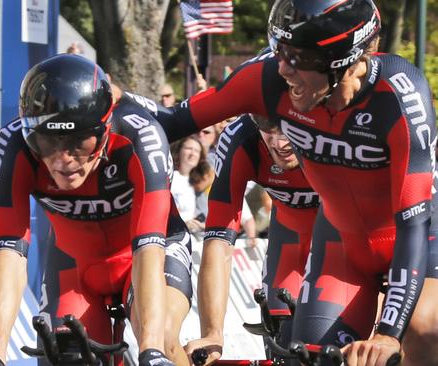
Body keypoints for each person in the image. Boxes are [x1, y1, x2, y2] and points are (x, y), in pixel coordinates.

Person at [153, 1, 438, 364]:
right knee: (307, 357)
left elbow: (413, 223)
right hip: (341, 247)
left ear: (341, 61)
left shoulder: (398, 95)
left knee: (423, 333)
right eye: (280, 50)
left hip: (418, 240)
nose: (283, 68)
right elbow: (168, 121)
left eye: (297, 58)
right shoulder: (268, 78)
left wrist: (388, 332)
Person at [0, 54, 192, 366]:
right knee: (65, 354)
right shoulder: (14, 145)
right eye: (47, 142)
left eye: (80, 142)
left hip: (147, 253)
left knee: (164, 339)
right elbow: (9, 255)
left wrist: (152, 350)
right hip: (75, 264)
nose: (63, 160)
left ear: (105, 131)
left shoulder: (140, 136)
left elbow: (149, 246)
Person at [183, 114, 319, 364]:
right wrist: (213, 333)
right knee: (285, 349)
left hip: (342, 243)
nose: (280, 143)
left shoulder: (332, 129)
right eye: (269, 130)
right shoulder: (239, 138)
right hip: (288, 238)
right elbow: (218, 242)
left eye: (289, 131)